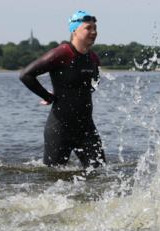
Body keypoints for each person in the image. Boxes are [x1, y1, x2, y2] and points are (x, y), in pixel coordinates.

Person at [19, 10, 105, 168]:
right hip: (60, 129)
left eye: (95, 28)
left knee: (100, 174)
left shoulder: (93, 58)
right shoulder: (63, 53)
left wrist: (71, 93)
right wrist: (48, 96)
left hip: (86, 128)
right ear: (74, 30)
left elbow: (91, 87)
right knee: (53, 176)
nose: (94, 32)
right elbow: (26, 75)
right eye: (88, 28)